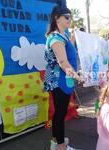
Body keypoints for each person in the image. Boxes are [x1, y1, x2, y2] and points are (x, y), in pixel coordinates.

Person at [44, 4, 82, 150]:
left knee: (60, 112)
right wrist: (79, 77)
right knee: (60, 113)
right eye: (66, 17)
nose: (69, 20)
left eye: (70, 17)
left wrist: (71, 39)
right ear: (56, 18)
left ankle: (56, 141)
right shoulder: (55, 37)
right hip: (59, 80)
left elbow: (67, 53)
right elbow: (63, 62)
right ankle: (59, 145)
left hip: (63, 80)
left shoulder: (62, 36)